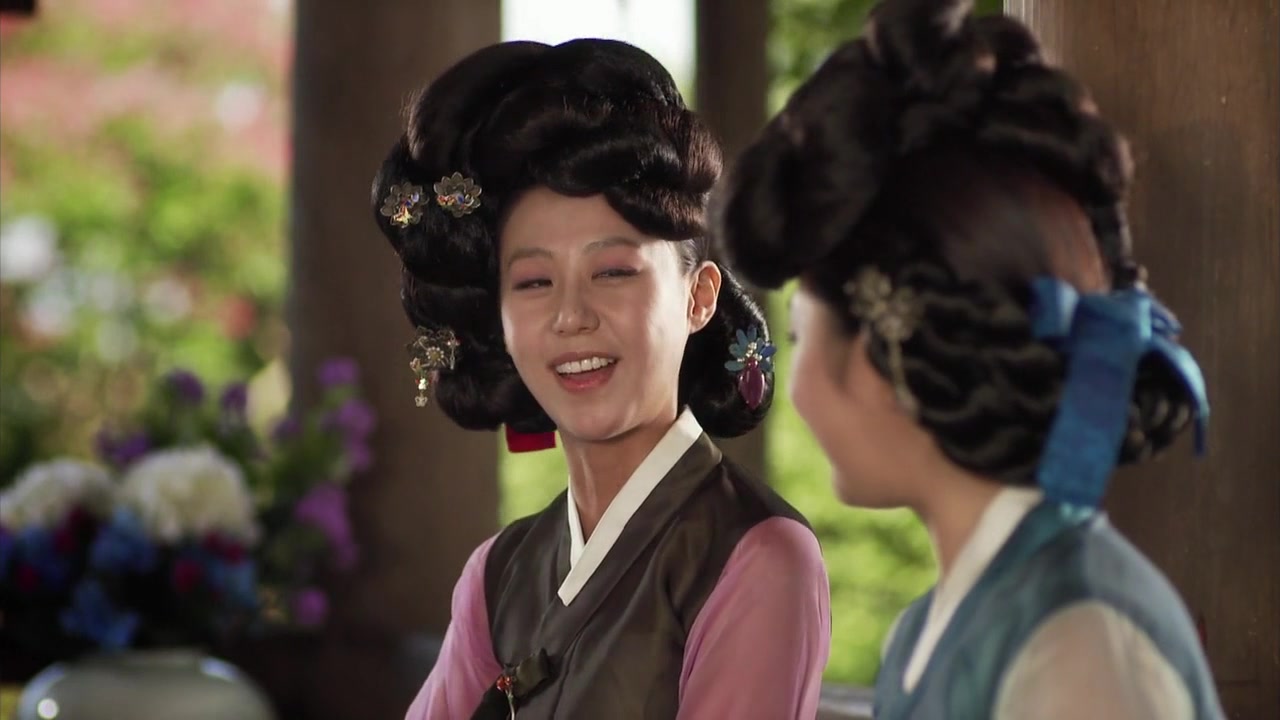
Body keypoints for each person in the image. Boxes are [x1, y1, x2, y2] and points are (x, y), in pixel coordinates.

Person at [712, 0, 1222, 717]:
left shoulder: (1079, 645)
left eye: (799, 335)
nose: (794, 391)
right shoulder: (931, 627)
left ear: (883, 347)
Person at [371, 38, 830, 720]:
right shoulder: (498, 575)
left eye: (613, 271)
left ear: (699, 296)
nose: (571, 317)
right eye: (533, 281)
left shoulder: (758, 557)